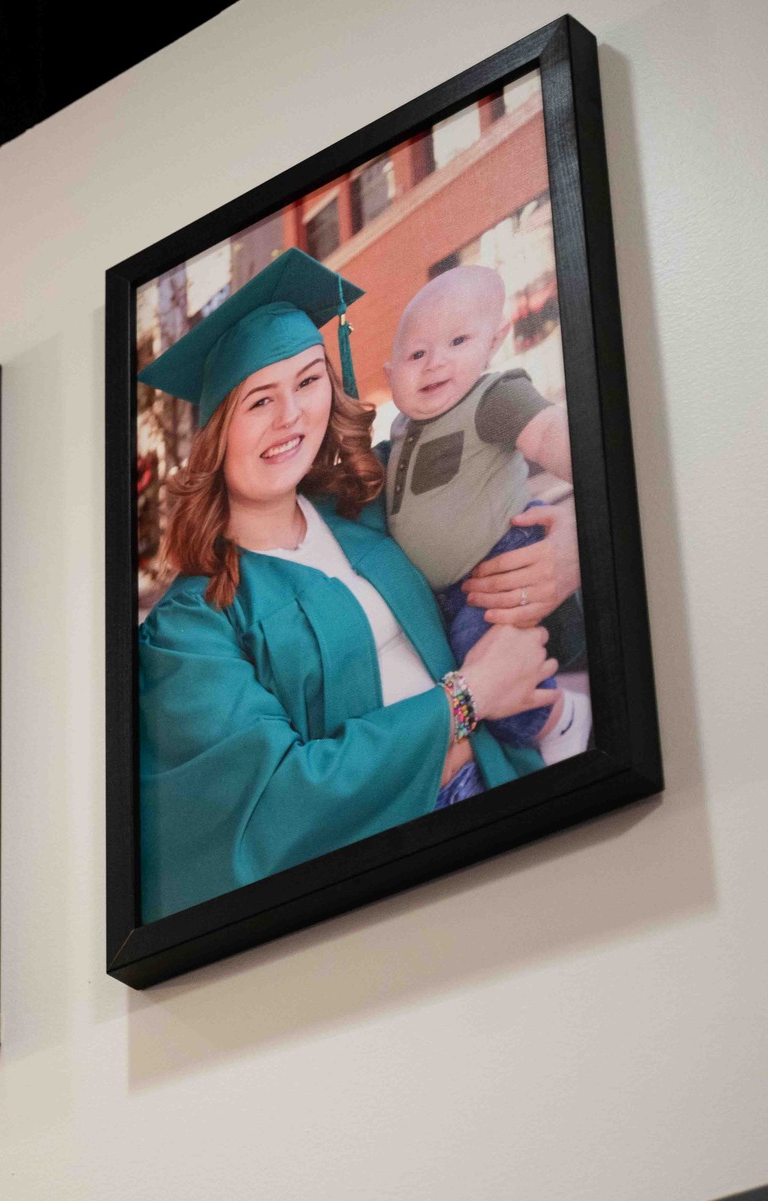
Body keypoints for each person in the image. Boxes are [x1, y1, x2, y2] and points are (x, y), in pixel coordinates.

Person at [135, 248, 561, 922]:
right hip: (403, 866)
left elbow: (505, 493)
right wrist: (468, 698)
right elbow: (275, 802)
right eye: (258, 400)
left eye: (307, 382)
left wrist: (563, 548)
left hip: (507, 778)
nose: (291, 418)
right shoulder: (189, 627)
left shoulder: (369, 502)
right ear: (217, 433)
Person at [381, 265, 587, 751]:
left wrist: (590, 511)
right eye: (416, 354)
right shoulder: (399, 430)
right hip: (450, 590)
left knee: (487, 662)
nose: (434, 363)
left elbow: (556, 437)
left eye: (458, 341)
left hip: (501, 562)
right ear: (390, 375)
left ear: (494, 341)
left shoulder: (493, 397)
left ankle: (561, 720)